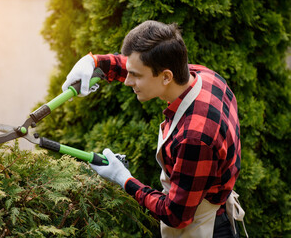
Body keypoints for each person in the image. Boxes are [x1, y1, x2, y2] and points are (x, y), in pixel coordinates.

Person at [62, 20, 247, 237]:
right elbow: (141, 66)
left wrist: (124, 179)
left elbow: (174, 216)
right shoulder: (206, 77)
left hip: (204, 229)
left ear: (167, 76)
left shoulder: (194, 138)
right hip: (212, 211)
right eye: (130, 73)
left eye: (136, 76)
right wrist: (95, 62)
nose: (127, 81)